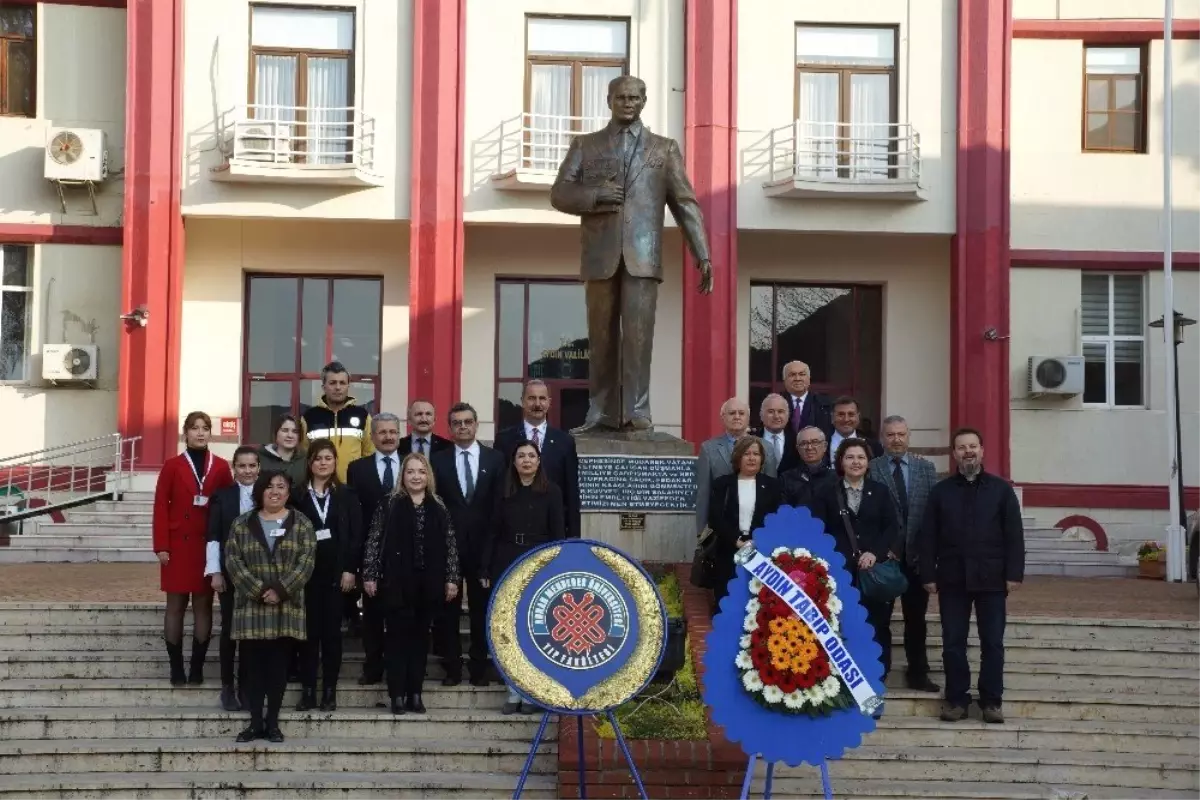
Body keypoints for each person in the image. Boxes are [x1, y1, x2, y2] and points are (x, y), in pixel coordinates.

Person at [550, 74, 713, 432]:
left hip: (643, 257)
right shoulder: (586, 145)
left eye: (636, 97)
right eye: (622, 97)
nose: (629, 103)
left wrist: (702, 252)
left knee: (639, 339)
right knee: (602, 338)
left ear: (644, 101)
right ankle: (601, 411)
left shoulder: (664, 149)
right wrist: (593, 197)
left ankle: (638, 411)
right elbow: (559, 193)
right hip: (600, 257)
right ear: (609, 100)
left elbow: (685, 202)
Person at [921, 427, 1025, 724]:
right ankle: (956, 700)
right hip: (952, 579)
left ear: (982, 450)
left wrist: (1014, 573)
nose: (968, 452)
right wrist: (928, 573)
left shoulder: (1001, 490)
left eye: (973, 446)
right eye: (961, 447)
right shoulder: (941, 492)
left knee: (992, 642)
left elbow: (1014, 535)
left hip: (992, 579)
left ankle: (991, 701)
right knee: (953, 642)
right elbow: (928, 536)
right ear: (954, 454)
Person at [362, 453, 460, 715]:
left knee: (419, 641)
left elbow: (450, 545)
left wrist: (451, 579)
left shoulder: (438, 506)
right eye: (411, 472)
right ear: (402, 476)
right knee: (396, 640)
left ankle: (415, 694)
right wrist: (370, 574)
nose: (416, 476)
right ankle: (396, 695)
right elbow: (374, 540)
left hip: (428, 583)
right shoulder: (389, 504)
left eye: (421, 472)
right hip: (395, 582)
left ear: (428, 476)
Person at [223, 471, 316, 743]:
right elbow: (233, 562)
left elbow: (306, 562)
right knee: (252, 669)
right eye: (269, 487)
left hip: (285, 609)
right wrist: (260, 590)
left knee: (278, 669)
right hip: (251, 609)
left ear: (288, 493)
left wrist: (282, 590)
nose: (275, 492)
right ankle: (254, 723)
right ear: (260, 491)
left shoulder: (302, 523)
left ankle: (272, 723)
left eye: (281, 487)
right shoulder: (241, 524)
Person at [810, 438, 901, 717]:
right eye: (850, 457)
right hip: (840, 577)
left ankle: (875, 687)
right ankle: (845, 689)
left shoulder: (881, 492)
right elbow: (818, 531)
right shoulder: (827, 492)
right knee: (843, 631)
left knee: (877, 629)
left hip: (873, 576)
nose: (856, 462)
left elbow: (893, 528)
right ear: (841, 462)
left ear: (868, 462)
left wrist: (876, 552)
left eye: (861, 457)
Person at [152, 411, 234, 686]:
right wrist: (161, 545)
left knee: (203, 606)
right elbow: (161, 506)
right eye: (194, 428)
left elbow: (227, 508)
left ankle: (196, 668)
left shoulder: (221, 467)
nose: (200, 433)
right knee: (175, 605)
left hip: (206, 546)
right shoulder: (172, 466)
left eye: (205, 428)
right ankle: (176, 667)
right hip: (176, 546)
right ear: (185, 433)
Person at [487, 440, 566, 713]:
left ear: (539, 461)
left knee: (533, 631)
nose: (526, 460)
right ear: (514, 461)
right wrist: (486, 568)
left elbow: (558, 533)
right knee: (508, 630)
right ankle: (513, 693)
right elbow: (492, 531)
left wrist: (557, 568)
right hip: (507, 560)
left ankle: (532, 693)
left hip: (540, 563)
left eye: (532, 455)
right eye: (521, 455)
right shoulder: (503, 491)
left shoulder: (552, 492)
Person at [430, 402, 505, 686]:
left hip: (484, 548)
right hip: (448, 547)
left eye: (467, 422)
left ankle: (478, 668)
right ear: (449, 428)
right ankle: (452, 667)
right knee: (448, 609)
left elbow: (498, 507)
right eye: (457, 423)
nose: (462, 427)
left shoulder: (495, 460)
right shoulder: (438, 460)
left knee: (481, 608)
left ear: (476, 425)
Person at [868, 415, 940, 693]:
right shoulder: (872, 468)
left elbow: (933, 516)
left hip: (917, 558)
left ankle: (918, 672)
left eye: (901, 434)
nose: (896, 439)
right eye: (890, 435)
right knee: (880, 619)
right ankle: (878, 672)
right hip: (885, 558)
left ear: (908, 437)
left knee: (916, 619)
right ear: (882, 438)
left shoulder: (926, 468)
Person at [292, 439, 363, 712]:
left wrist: (350, 569)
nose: (323, 463)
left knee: (332, 636)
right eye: (318, 458)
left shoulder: (347, 495)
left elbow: (356, 535)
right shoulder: (297, 496)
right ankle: (308, 690)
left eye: (328, 458)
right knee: (307, 636)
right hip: (306, 577)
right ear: (310, 463)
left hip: (338, 576)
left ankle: (329, 691)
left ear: (335, 462)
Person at [346, 412, 404, 686]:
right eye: (382, 432)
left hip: (405, 553)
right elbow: (355, 516)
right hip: (371, 554)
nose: (388, 436)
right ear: (372, 437)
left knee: (401, 615)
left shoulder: (412, 465)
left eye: (393, 431)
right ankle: (373, 667)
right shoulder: (358, 469)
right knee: (371, 615)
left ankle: (398, 667)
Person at [204, 445, 259, 711]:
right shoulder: (222, 496)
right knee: (230, 629)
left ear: (258, 468)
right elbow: (214, 535)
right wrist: (215, 571)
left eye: (252, 466)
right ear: (233, 468)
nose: (247, 471)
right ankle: (228, 686)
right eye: (242, 466)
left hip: (259, 574)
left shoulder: (268, 493)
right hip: (228, 572)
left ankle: (248, 687)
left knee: (251, 633)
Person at [493, 379, 581, 538]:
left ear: (549, 402)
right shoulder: (504, 439)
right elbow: (499, 488)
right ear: (523, 402)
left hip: (552, 530)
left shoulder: (565, 442)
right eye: (532, 398)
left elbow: (572, 492)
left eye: (542, 398)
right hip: (513, 531)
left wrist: (573, 537)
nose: (537, 404)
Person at [706, 436, 781, 606]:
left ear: (762, 458)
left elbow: (777, 519)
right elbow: (715, 518)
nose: (752, 458)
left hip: (761, 550)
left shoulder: (773, 486)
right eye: (747, 453)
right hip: (729, 549)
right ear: (738, 457)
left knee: (758, 603)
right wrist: (736, 541)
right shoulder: (723, 484)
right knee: (728, 601)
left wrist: (759, 541)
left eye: (756, 454)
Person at [300, 361, 374, 482]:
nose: (338, 387)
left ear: (348, 386)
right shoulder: (309, 417)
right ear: (324, 387)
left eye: (342, 383)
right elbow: (303, 456)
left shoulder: (363, 416)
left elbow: (369, 454)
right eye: (332, 383)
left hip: (353, 488)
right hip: (320, 488)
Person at [695, 398, 759, 533]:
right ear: (723, 418)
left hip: (756, 525)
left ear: (748, 418)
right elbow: (703, 493)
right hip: (722, 527)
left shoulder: (765, 447)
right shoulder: (708, 449)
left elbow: (770, 489)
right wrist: (701, 531)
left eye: (741, 413)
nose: (737, 417)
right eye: (732, 413)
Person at [779, 426, 837, 510]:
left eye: (815, 442)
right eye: (804, 443)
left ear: (825, 446)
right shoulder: (786, 479)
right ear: (798, 449)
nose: (809, 447)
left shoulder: (836, 478)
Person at [827, 396, 884, 463]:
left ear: (858, 418)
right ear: (832, 418)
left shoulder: (874, 446)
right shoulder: (820, 444)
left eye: (851, 414)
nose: (846, 419)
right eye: (841, 414)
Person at [258, 414, 306, 487]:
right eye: (285, 430)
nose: (290, 435)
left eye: (295, 431)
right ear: (276, 433)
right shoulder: (259, 459)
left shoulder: (307, 460)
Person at [756, 393, 791, 477]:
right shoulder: (751, 440)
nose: (776, 416)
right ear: (761, 415)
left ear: (788, 415)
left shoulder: (796, 441)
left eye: (780, 411)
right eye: (771, 411)